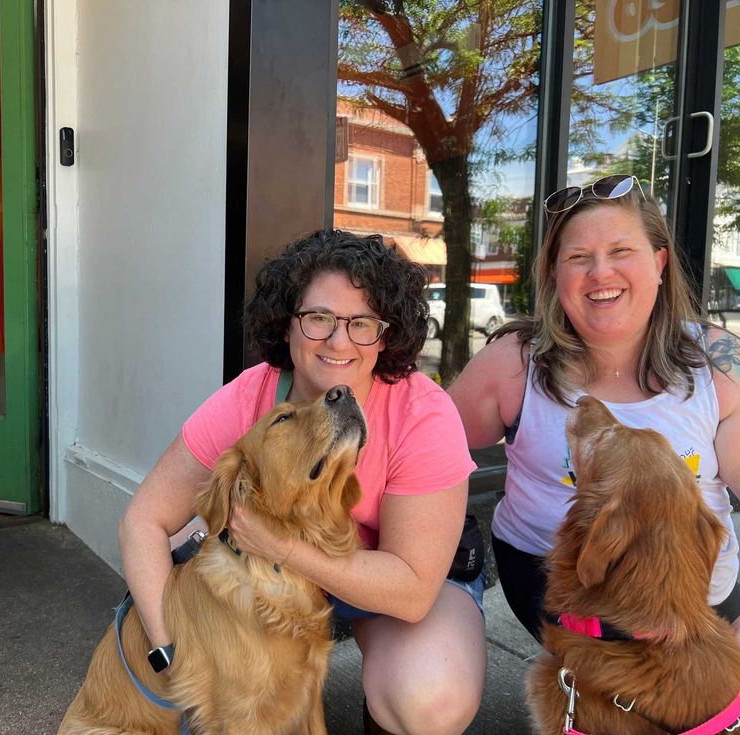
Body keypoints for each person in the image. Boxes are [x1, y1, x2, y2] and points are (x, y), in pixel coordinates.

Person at [119, 229, 486, 735]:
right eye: (318, 319)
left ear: (385, 335)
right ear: (287, 327)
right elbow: (145, 520)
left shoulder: (423, 414)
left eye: (362, 323)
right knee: (189, 541)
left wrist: (282, 547)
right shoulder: (249, 398)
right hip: (286, 577)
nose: (338, 341)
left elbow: (411, 590)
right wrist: (172, 650)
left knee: (428, 697)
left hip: (396, 576)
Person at [449, 174, 740, 681]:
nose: (600, 272)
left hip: (693, 588)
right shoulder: (513, 364)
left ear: (660, 263)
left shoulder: (722, 363)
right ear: (555, 274)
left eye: (621, 250)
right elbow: (424, 454)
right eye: (578, 257)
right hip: (557, 580)